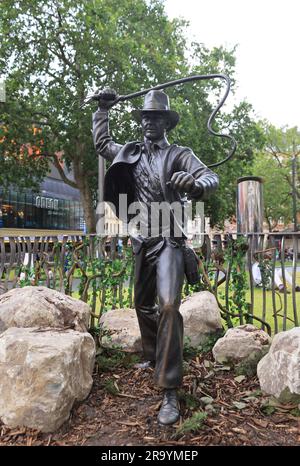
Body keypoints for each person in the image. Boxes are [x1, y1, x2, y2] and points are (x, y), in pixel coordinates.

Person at [93, 88, 219, 425]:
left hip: (168, 239)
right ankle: (153, 355)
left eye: (156, 117)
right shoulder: (130, 153)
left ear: (166, 122)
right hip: (140, 238)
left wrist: (194, 185)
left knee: (167, 305)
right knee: (142, 303)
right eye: (146, 116)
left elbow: (211, 177)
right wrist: (102, 110)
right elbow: (103, 144)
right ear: (142, 121)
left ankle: (169, 390)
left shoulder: (179, 154)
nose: (150, 122)